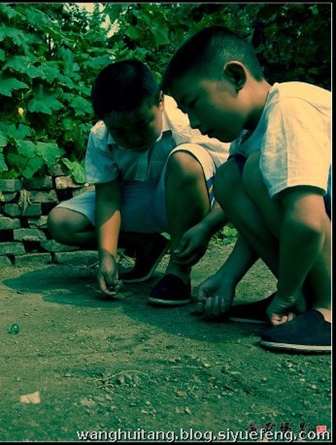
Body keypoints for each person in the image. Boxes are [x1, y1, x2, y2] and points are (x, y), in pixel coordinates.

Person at [162, 26, 331, 353]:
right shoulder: (248, 135)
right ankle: (308, 300)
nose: (193, 122)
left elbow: (307, 222)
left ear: (235, 77)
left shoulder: (289, 108)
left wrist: (286, 293)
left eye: (193, 104)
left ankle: (327, 306)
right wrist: (228, 275)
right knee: (230, 177)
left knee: (253, 171)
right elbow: (265, 213)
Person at [48, 60, 230, 304]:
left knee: (185, 161)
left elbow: (234, 183)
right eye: (119, 132)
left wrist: (207, 227)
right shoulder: (100, 135)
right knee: (62, 222)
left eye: (142, 124)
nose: (133, 138)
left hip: (187, 202)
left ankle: (178, 273)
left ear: (161, 101)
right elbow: (108, 198)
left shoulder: (189, 123)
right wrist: (107, 256)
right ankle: (147, 245)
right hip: (137, 200)